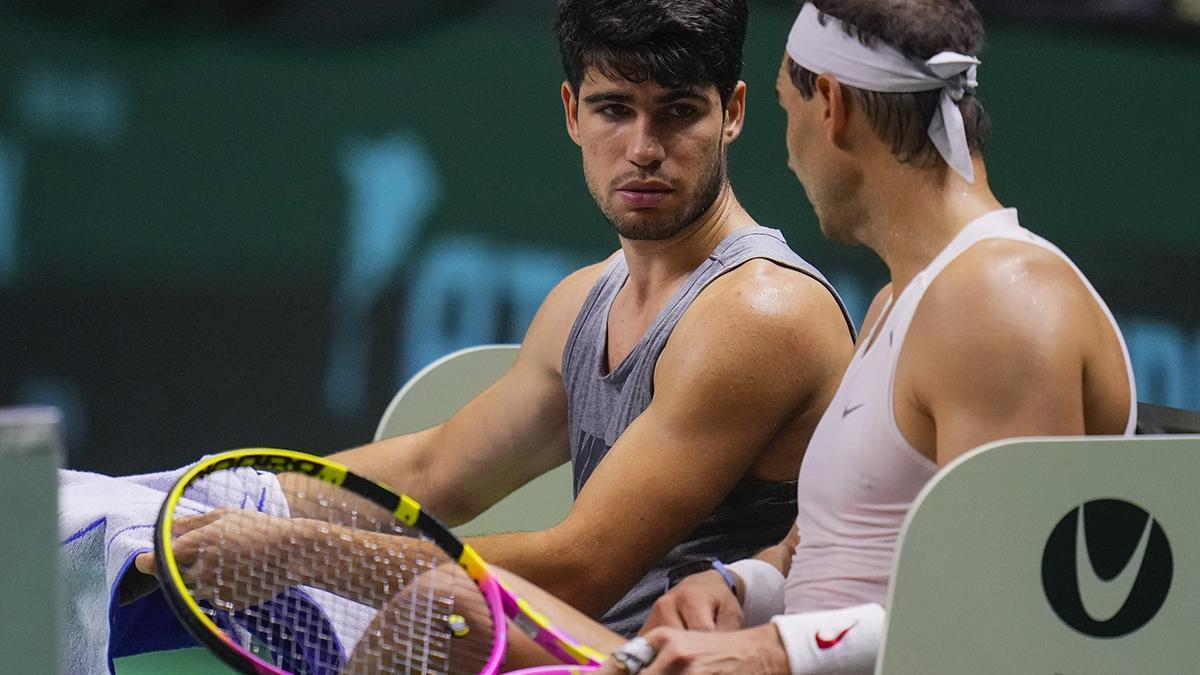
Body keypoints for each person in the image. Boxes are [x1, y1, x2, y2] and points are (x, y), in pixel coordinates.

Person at [129, 0, 855, 639]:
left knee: (445, 613)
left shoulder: (760, 313)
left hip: (685, 659)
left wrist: (299, 550)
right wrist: (191, 498)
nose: (642, 148)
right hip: (589, 645)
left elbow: (583, 566)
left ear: (732, 112)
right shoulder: (582, 299)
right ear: (572, 112)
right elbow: (435, 470)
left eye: (677, 111)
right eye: (614, 109)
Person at [459, 0, 1137, 672]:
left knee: (447, 609)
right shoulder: (899, 304)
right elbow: (842, 549)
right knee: (449, 614)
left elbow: (1012, 606)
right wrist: (739, 586)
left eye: (788, 111)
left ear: (833, 106)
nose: (787, 155)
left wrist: (772, 648)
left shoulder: (996, 301)